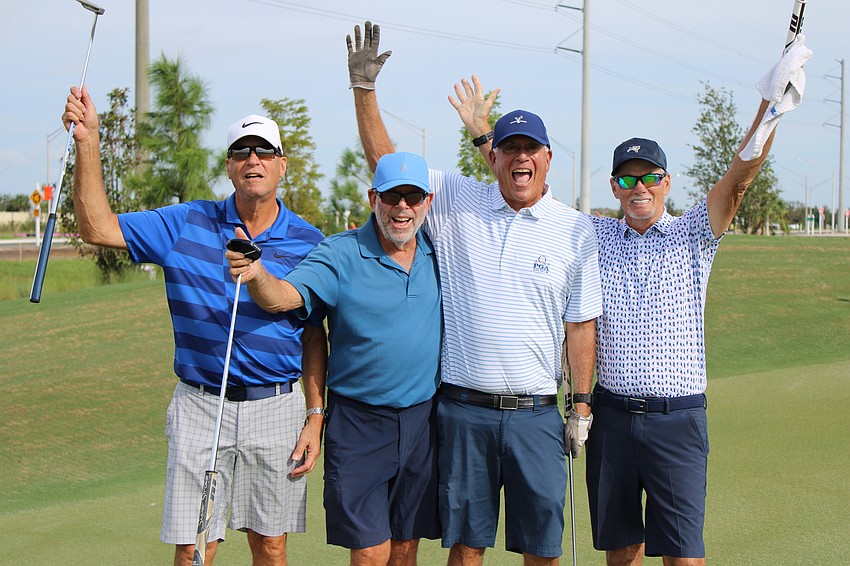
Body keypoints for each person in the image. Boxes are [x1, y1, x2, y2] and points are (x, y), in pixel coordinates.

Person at [450, 36, 812, 566]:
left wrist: (772, 103)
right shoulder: (591, 234)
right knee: (621, 552)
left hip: (676, 418)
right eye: (626, 178)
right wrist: (485, 134)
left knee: (684, 556)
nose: (638, 186)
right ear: (615, 187)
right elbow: (524, 179)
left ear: (666, 183)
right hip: (612, 418)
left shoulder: (695, 234)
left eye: (649, 177)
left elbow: (740, 177)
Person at [345, 22, 603, 566]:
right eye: (508, 149)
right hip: (462, 411)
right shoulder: (458, 202)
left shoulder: (576, 228)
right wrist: (364, 93)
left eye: (530, 149)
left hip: (536, 415)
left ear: (549, 158)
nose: (519, 158)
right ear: (496, 157)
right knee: (465, 549)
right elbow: (388, 167)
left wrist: (581, 405)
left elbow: (579, 325)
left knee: (543, 551)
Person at [62, 85, 327, 566]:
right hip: (202, 405)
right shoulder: (188, 222)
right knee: (193, 548)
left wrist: (315, 414)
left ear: (282, 165)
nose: (253, 160)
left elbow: (313, 335)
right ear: (228, 166)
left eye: (265, 151)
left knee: (270, 544)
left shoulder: (310, 241)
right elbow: (97, 227)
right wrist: (88, 141)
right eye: (241, 152)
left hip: (277, 406)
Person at [226, 150, 442, 566]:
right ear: (371, 198)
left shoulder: (440, 252)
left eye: (412, 197)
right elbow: (284, 298)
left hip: (423, 421)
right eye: (391, 196)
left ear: (427, 202)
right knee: (370, 550)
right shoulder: (339, 253)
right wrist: (257, 275)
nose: (402, 207)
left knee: (406, 547)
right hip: (359, 422)